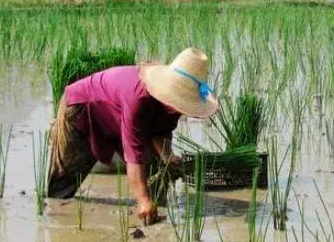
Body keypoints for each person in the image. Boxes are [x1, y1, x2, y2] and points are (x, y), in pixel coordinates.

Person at [47, 48, 219, 225]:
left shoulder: (173, 105)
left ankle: (156, 212)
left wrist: (168, 156)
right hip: (81, 108)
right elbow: (133, 156)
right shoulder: (137, 98)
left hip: (115, 115)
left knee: (156, 164)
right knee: (63, 182)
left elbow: (160, 131)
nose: (180, 108)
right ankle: (53, 219)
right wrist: (142, 199)